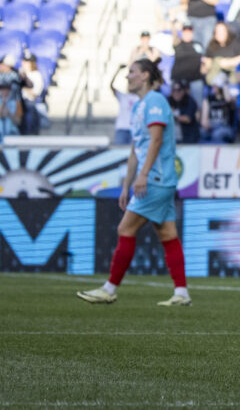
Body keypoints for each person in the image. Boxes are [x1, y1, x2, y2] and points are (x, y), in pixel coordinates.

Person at [77, 59, 191, 307]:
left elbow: (156, 140)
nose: (128, 77)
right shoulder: (139, 105)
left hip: (155, 179)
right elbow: (135, 149)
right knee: (168, 234)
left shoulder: (155, 101)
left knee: (125, 230)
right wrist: (126, 184)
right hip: (152, 178)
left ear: (145, 76)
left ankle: (109, 289)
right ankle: (181, 293)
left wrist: (143, 175)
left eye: (132, 72)